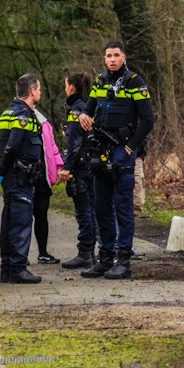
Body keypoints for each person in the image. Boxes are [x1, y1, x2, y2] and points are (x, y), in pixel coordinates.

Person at [78, 40, 154, 280]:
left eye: (116, 55)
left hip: (123, 151)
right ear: (104, 58)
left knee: (123, 208)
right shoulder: (100, 82)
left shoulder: (135, 82)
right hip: (101, 151)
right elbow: (88, 108)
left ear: (124, 57)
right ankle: (105, 258)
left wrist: (131, 148)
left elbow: (147, 120)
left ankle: (123, 261)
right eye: (108, 56)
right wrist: (83, 116)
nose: (112, 59)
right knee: (101, 207)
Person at [0, 73, 46, 284]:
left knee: (9, 221)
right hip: (20, 176)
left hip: (11, 176)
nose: (40, 92)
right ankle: (18, 268)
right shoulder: (23, 114)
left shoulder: (7, 112)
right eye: (38, 89)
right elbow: (13, 146)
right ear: (32, 91)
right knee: (21, 223)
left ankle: (7, 269)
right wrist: (3, 169)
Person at [59, 71, 99, 269]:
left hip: (81, 167)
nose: (65, 89)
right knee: (91, 209)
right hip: (91, 164)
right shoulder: (88, 106)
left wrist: (67, 167)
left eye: (66, 86)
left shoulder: (76, 110)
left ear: (72, 88)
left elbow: (75, 143)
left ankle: (85, 253)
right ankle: (90, 252)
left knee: (83, 211)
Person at [31, 92, 65, 265]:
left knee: (41, 214)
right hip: (24, 176)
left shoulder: (43, 122)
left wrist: (58, 167)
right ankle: (18, 256)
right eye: (38, 89)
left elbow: (52, 147)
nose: (40, 93)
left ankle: (43, 253)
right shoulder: (14, 118)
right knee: (21, 217)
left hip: (42, 176)